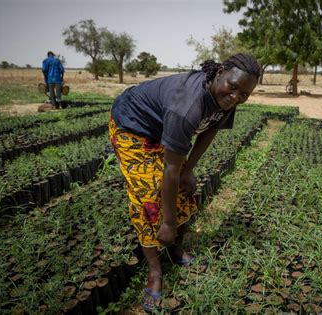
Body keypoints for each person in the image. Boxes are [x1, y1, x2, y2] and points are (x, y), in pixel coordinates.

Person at [109, 53, 260, 311]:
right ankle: (155, 273)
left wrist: (189, 168)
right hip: (132, 127)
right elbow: (171, 169)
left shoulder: (229, 95)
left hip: (161, 128)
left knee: (183, 190)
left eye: (244, 94)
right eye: (233, 88)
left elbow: (211, 127)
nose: (236, 97)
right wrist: (167, 222)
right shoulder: (187, 106)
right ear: (221, 71)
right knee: (147, 199)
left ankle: (176, 251)